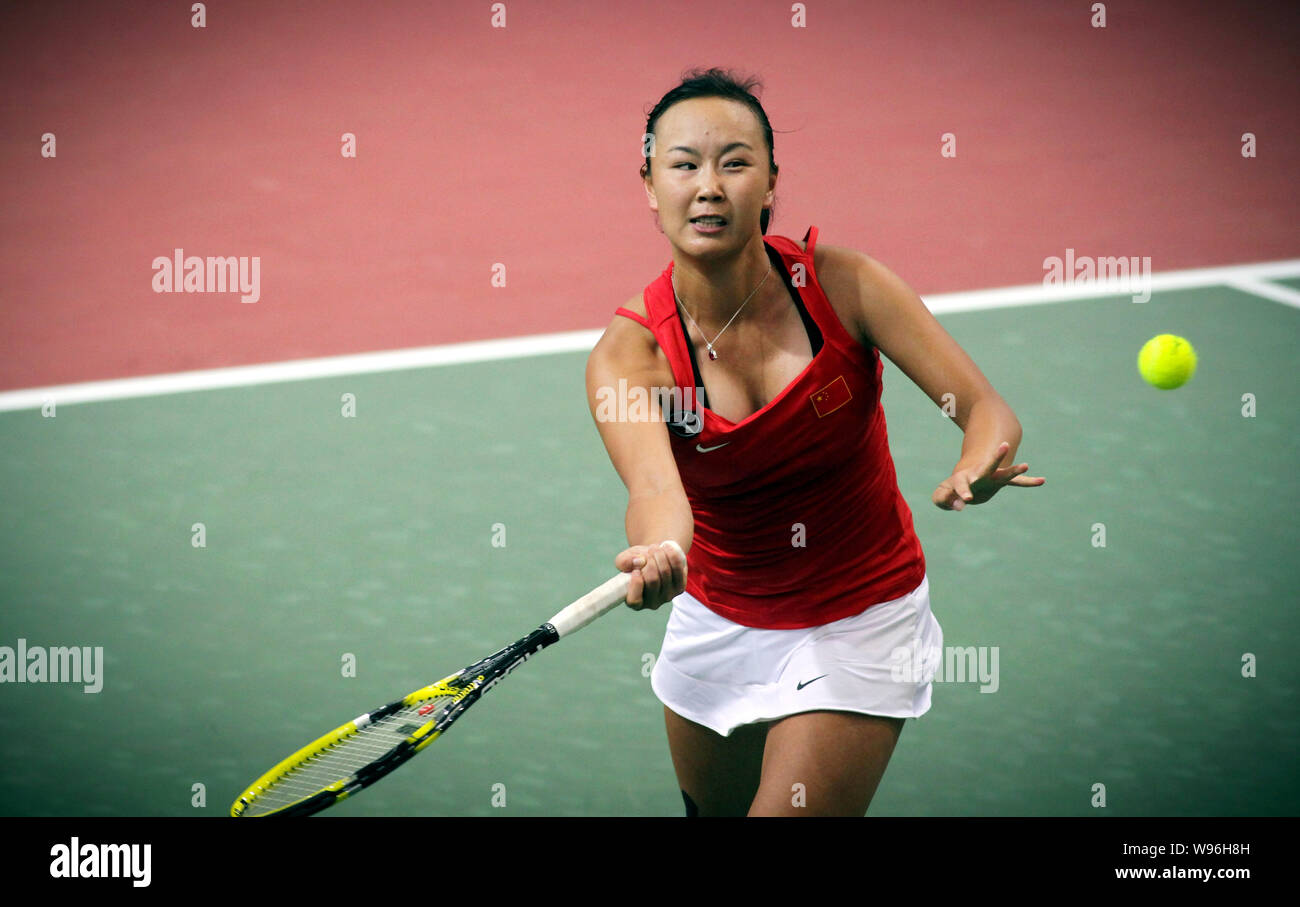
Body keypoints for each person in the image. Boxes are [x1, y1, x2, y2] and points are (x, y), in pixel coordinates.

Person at [585, 68, 1044, 817]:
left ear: (770, 183)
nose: (709, 186)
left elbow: (985, 408)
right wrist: (657, 551)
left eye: (735, 162)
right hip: (721, 615)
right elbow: (656, 494)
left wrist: (978, 461)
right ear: (648, 184)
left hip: (862, 615)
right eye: (683, 165)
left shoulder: (845, 286)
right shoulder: (630, 357)